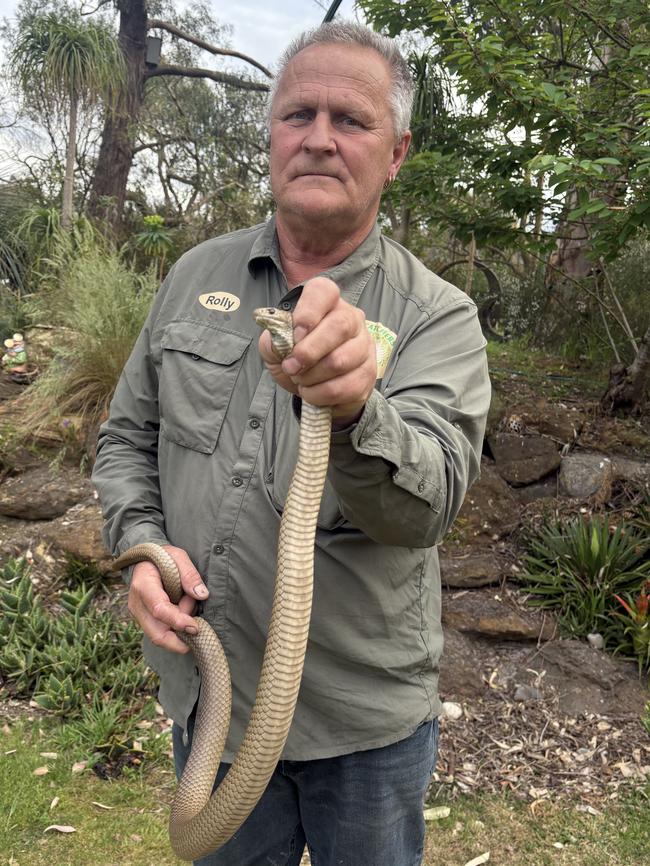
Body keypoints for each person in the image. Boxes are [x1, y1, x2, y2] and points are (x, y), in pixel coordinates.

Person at [92, 20, 490, 866]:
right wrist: (140, 548)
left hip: (365, 731)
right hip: (216, 717)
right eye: (296, 114)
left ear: (397, 154)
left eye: (351, 120)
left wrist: (355, 412)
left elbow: (428, 510)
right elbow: (127, 438)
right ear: (270, 134)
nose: (317, 138)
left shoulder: (437, 316)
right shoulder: (193, 276)